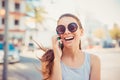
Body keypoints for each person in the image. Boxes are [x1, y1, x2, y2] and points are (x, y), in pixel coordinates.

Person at [39, 13, 101, 80]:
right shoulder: (49, 60)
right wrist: (57, 59)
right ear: (58, 35)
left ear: (81, 32)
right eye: (61, 29)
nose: (66, 32)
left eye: (72, 27)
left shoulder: (94, 60)